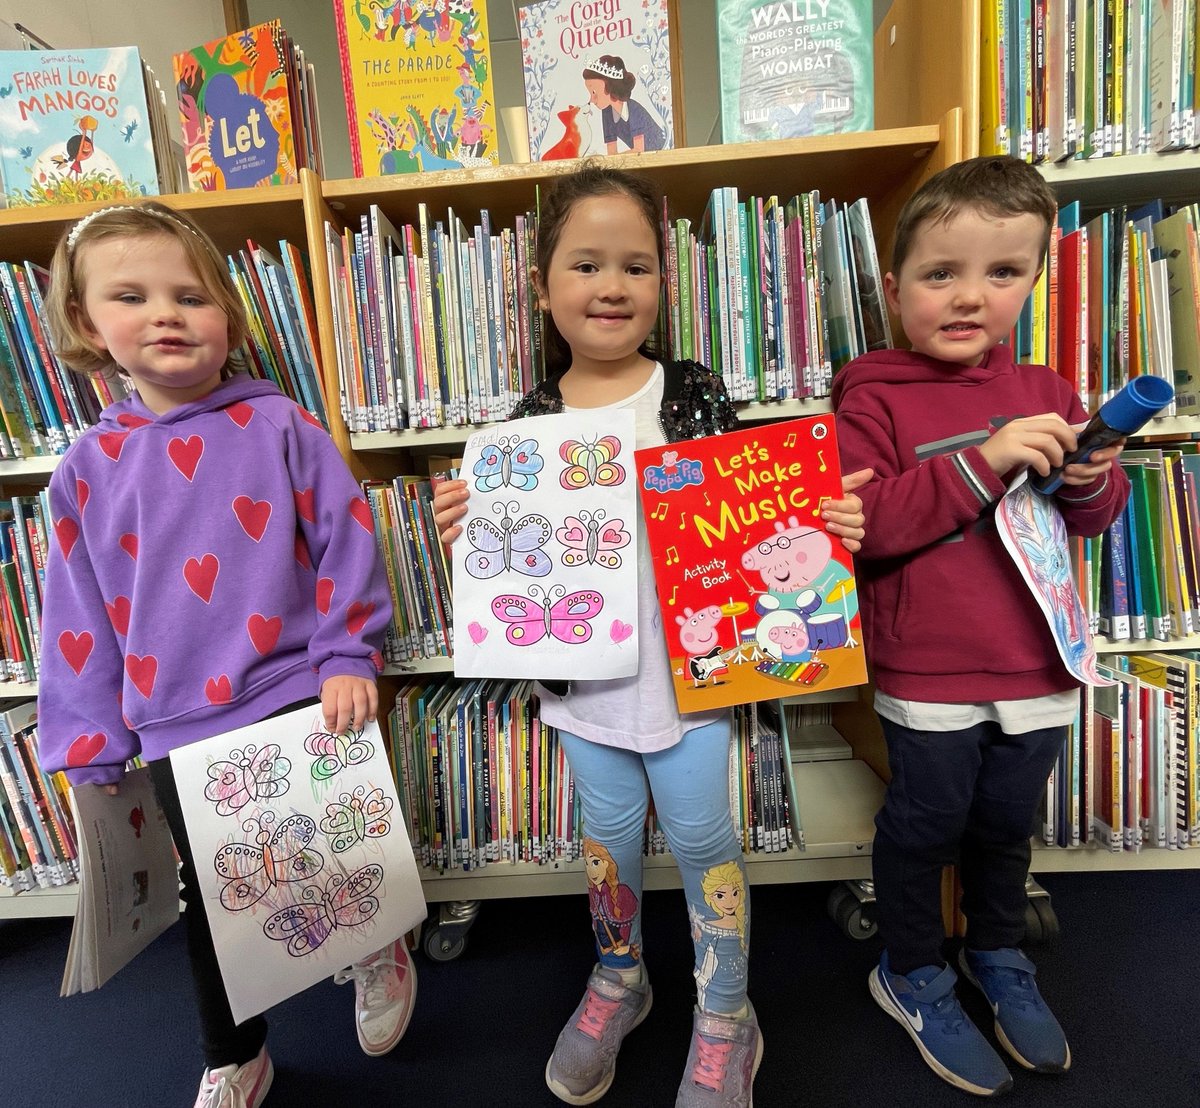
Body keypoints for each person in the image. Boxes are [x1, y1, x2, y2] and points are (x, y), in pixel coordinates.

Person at [433, 162, 870, 1107]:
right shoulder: (527, 423)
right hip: (584, 693)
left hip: (692, 686)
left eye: (636, 266)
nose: (612, 286)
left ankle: (726, 1013)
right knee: (609, 843)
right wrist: (476, 523)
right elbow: (515, 566)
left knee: (708, 840)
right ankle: (619, 978)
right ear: (542, 287)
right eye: (586, 265)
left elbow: (758, 521)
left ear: (661, 285)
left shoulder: (697, 393)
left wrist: (821, 525)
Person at [38, 202, 416, 1108]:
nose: (167, 313)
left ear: (230, 322)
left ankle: (375, 943)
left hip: (297, 686)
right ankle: (234, 1053)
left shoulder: (280, 423)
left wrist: (346, 653)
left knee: (334, 851)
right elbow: (77, 615)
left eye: (191, 296)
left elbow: (345, 538)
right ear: (89, 325)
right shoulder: (83, 468)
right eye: (132, 296)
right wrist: (89, 737)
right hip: (174, 722)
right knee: (216, 902)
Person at [831, 156, 1131, 1097]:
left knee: (1005, 825)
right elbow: (868, 530)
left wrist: (1092, 479)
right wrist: (989, 456)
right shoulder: (870, 393)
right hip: (926, 669)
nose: (970, 298)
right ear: (893, 286)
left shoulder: (1050, 385)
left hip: (1038, 661)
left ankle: (996, 953)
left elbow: (1090, 519)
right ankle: (912, 968)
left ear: (1037, 278)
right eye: (940, 274)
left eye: (1003, 273)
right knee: (924, 825)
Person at [581, 55, 665, 154]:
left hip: (661, 153)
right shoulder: (607, 112)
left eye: (594, 92)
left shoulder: (634, 110)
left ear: (610, 86)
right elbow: (612, 153)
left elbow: (639, 150)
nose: (591, 100)